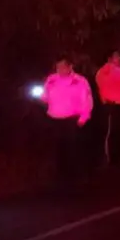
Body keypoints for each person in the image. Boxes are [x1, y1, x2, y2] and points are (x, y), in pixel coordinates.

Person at [40, 55, 94, 186]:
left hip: (72, 119)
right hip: (54, 118)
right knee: (58, 149)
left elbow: (87, 101)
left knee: (73, 149)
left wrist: (83, 117)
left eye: (63, 67)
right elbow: (45, 96)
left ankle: (77, 177)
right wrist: (43, 98)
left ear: (70, 67)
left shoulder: (79, 81)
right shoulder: (51, 79)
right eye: (58, 67)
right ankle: (60, 178)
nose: (60, 70)